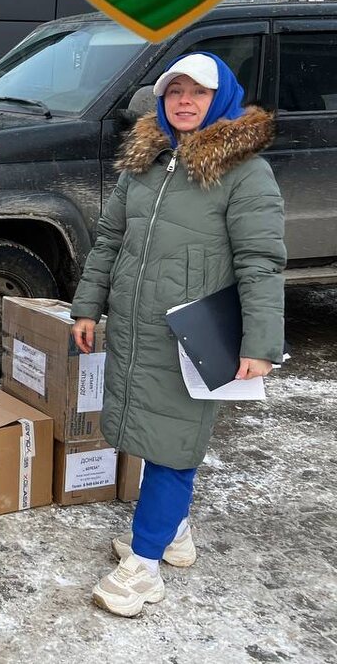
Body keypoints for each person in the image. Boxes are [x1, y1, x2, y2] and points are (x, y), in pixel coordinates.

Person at [70, 51, 284, 616]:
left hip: (194, 336)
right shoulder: (145, 164)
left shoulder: (246, 172)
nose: (184, 101)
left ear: (222, 99)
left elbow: (261, 261)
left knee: (174, 447)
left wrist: (260, 344)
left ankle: (144, 567)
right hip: (138, 330)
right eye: (174, 91)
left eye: (198, 92)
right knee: (147, 433)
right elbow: (109, 240)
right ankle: (175, 533)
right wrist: (87, 307)